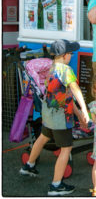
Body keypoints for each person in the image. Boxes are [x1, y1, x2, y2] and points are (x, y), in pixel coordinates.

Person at [19, 39, 90, 196]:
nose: (71, 56)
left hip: (49, 115)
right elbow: (76, 90)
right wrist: (85, 110)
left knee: (43, 137)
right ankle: (56, 185)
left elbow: (68, 97)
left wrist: (78, 114)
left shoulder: (51, 68)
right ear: (64, 55)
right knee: (66, 148)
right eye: (71, 53)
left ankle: (29, 166)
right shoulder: (66, 70)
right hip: (61, 119)